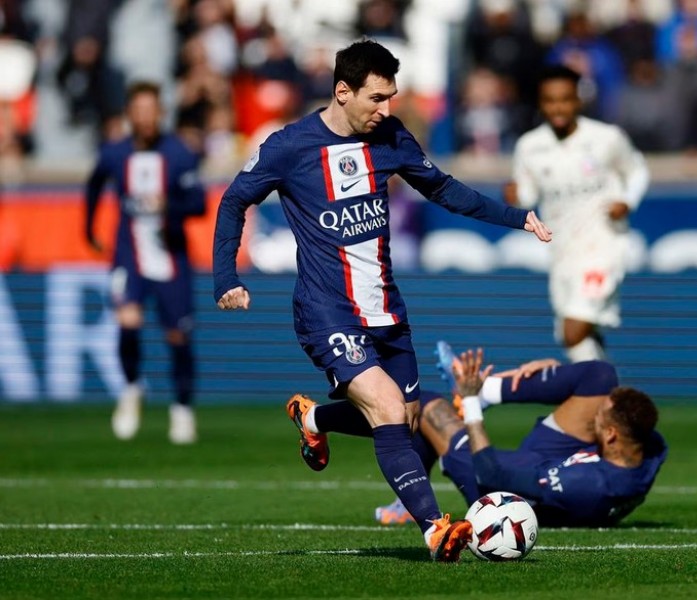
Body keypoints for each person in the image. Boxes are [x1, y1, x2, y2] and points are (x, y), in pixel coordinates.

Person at [213, 39, 551, 562]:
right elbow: (235, 199)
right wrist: (224, 277)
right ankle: (436, 528)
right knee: (389, 408)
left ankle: (315, 420)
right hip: (327, 311)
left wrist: (516, 217)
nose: (387, 109)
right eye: (377, 98)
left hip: (387, 309)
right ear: (342, 92)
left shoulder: (390, 136)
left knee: (405, 419)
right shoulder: (289, 146)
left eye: (391, 96)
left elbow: (442, 188)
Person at [375, 342, 667, 528]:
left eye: (599, 420)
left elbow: (492, 474)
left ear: (612, 435)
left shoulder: (587, 485)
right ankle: (487, 389)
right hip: (558, 460)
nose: (593, 417)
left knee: (426, 407)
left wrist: (471, 403)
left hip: (503, 490)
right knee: (600, 376)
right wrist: (557, 379)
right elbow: (626, 422)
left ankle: (408, 497)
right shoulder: (650, 446)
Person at [84, 81, 206, 444]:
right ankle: (132, 387)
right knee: (127, 320)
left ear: (161, 113)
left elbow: (198, 203)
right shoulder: (115, 153)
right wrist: (88, 228)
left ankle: (182, 408)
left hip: (170, 257)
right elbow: (93, 185)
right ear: (129, 115)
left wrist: (169, 206)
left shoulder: (179, 153)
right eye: (139, 111)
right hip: (128, 254)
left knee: (178, 336)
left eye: (151, 110)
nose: (146, 118)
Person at [507, 65, 649, 362]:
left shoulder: (606, 138)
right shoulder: (530, 147)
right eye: (550, 100)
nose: (558, 107)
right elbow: (529, 195)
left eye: (565, 99)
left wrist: (627, 200)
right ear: (541, 103)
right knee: (573, 336)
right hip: (562, 251)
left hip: (603, 246)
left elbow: (637, 170)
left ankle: (599, 401)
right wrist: (515, 195)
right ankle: (608, 401)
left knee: (574, 329)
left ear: (578, 101)